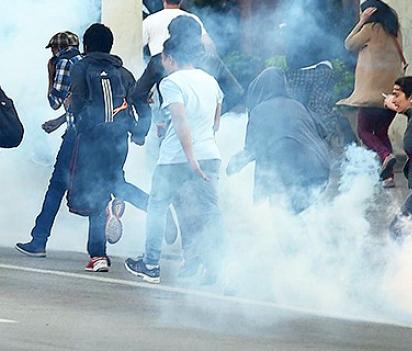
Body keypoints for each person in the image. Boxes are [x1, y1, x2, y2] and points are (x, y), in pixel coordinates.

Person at [126, 34, 226, 286]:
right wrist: (203, 146)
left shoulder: (171, 83)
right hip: (210, 154)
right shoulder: (211, 81)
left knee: (157, 208)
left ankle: (150, 264)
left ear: (169, 58)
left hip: (175, 158)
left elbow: (180, 120)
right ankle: (217, 269)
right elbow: (216, 119)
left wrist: (190, 157)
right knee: (210, 212)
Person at [65, 23, 146, 272]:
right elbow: (140, 102)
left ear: (86, 47)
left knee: (96, 193)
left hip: (92, 140)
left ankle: (98, 255)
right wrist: (140, 133)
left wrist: (73, 118)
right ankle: (156, 207)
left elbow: (77, 101)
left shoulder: (81, 67)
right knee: (115, 182)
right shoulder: (123, 73)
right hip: (119, 140)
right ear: (110, 46)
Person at [226, 67, 331, 214]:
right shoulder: (298, 105)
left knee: (282, 217)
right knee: (288, 216)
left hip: (291, 173)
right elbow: (323, 131)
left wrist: (231, 166)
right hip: (319, 170)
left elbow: (252, 150)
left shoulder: (259, 111)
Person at [16, 31, 83, 258]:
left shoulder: (63, 63)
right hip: (93, 134)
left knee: (56, 187)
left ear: (56, 49)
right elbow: (79, 104)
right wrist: (58, 122)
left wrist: (50, 75)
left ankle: (39, 240)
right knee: (108, 183)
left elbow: (56, 101)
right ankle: (152, 207)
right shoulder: (84, 63)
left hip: (75, 136)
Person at [338, 0, 407, 187]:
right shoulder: (394, 31)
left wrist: (361, 21)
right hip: (392, 94)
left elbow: (349, 44)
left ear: (369, 13)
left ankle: (386, 155)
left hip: (371, 96)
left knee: (364, 131)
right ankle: (388, 177)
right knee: (382, 132)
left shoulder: (371, 29)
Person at [384, 76, 412, 235]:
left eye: (397, 95)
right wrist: (393, 105)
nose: (393, 99)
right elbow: (409, 112)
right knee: (397, 230)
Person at [141, 0, 213, 58]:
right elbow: (208, 44)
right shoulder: (192, 18)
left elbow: (137, 45)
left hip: (157, 66)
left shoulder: (150, 20)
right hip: (184, 64)